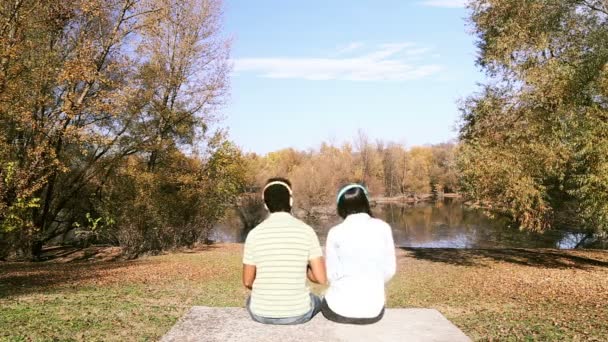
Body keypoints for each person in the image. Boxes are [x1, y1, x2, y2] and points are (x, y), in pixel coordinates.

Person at [242, 177, 327, 325]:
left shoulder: (254, 234)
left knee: (250, 300)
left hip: (260, 313)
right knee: (317, 299)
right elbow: (320, 279)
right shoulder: (307, 231)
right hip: (299, 314)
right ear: (291, 201)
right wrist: (304, 268)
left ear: (266, 205)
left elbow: (248, 282)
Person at [322, 184, 396, 324]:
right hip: (373, 311)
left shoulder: (335, 232)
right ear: (366, 202)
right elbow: (389, 271)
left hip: (338, 310)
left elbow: (331, 275)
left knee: (320, 299)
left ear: (340, 207)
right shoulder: (383, 228)